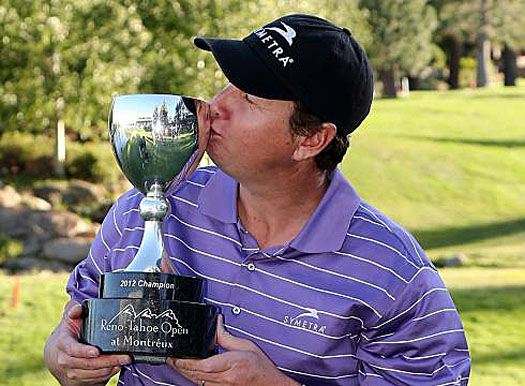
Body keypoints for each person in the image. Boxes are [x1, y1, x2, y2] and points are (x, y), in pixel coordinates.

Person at [44, 14, 470, 386]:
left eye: (249, 98)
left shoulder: (393, 273)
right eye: (226, 86)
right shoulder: (139, 213)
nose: (214, 107)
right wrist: (64, 357)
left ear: (311, 139)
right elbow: (75, 327)